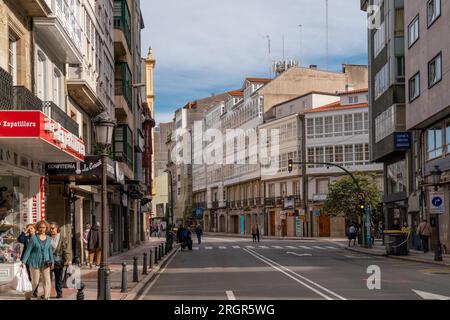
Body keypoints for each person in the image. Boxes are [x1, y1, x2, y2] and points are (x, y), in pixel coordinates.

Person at [21, 220, 54, 300]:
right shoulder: (33, 238)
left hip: (46, 262)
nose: (42, 229)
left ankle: (46, 297)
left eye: (44, 227)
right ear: (38, 228)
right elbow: (28, 250)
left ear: (46, 228)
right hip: (34, 262)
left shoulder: (49, 239)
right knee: (35, 282)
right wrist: (23, 262)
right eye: (40, 227)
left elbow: (50, 251)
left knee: (47, 281)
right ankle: (28, 296)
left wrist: (52, 261)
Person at [49, 222, 71, 299]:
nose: (51, 230)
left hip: (59, 261)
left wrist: (68, 260)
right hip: (48, 261)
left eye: (53, 228)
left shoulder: (62, 238)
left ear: (57, 229)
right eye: (50, 228)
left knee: (58, 278)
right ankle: (47, 293)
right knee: (48, 279)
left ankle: (59, 293)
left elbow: (66, 249)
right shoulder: (47, 237)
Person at [17, 224, 38, 297]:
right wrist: (25, 231)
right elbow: (20, 239)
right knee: (29, 276)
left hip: (35, 259)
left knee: (35, 277)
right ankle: (30, 291)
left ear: (35, 229)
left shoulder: (37, 237)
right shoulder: (26, 238)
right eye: (29, 229)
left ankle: (35, 291)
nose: (30, 230)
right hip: (26, 259)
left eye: (31, 228)